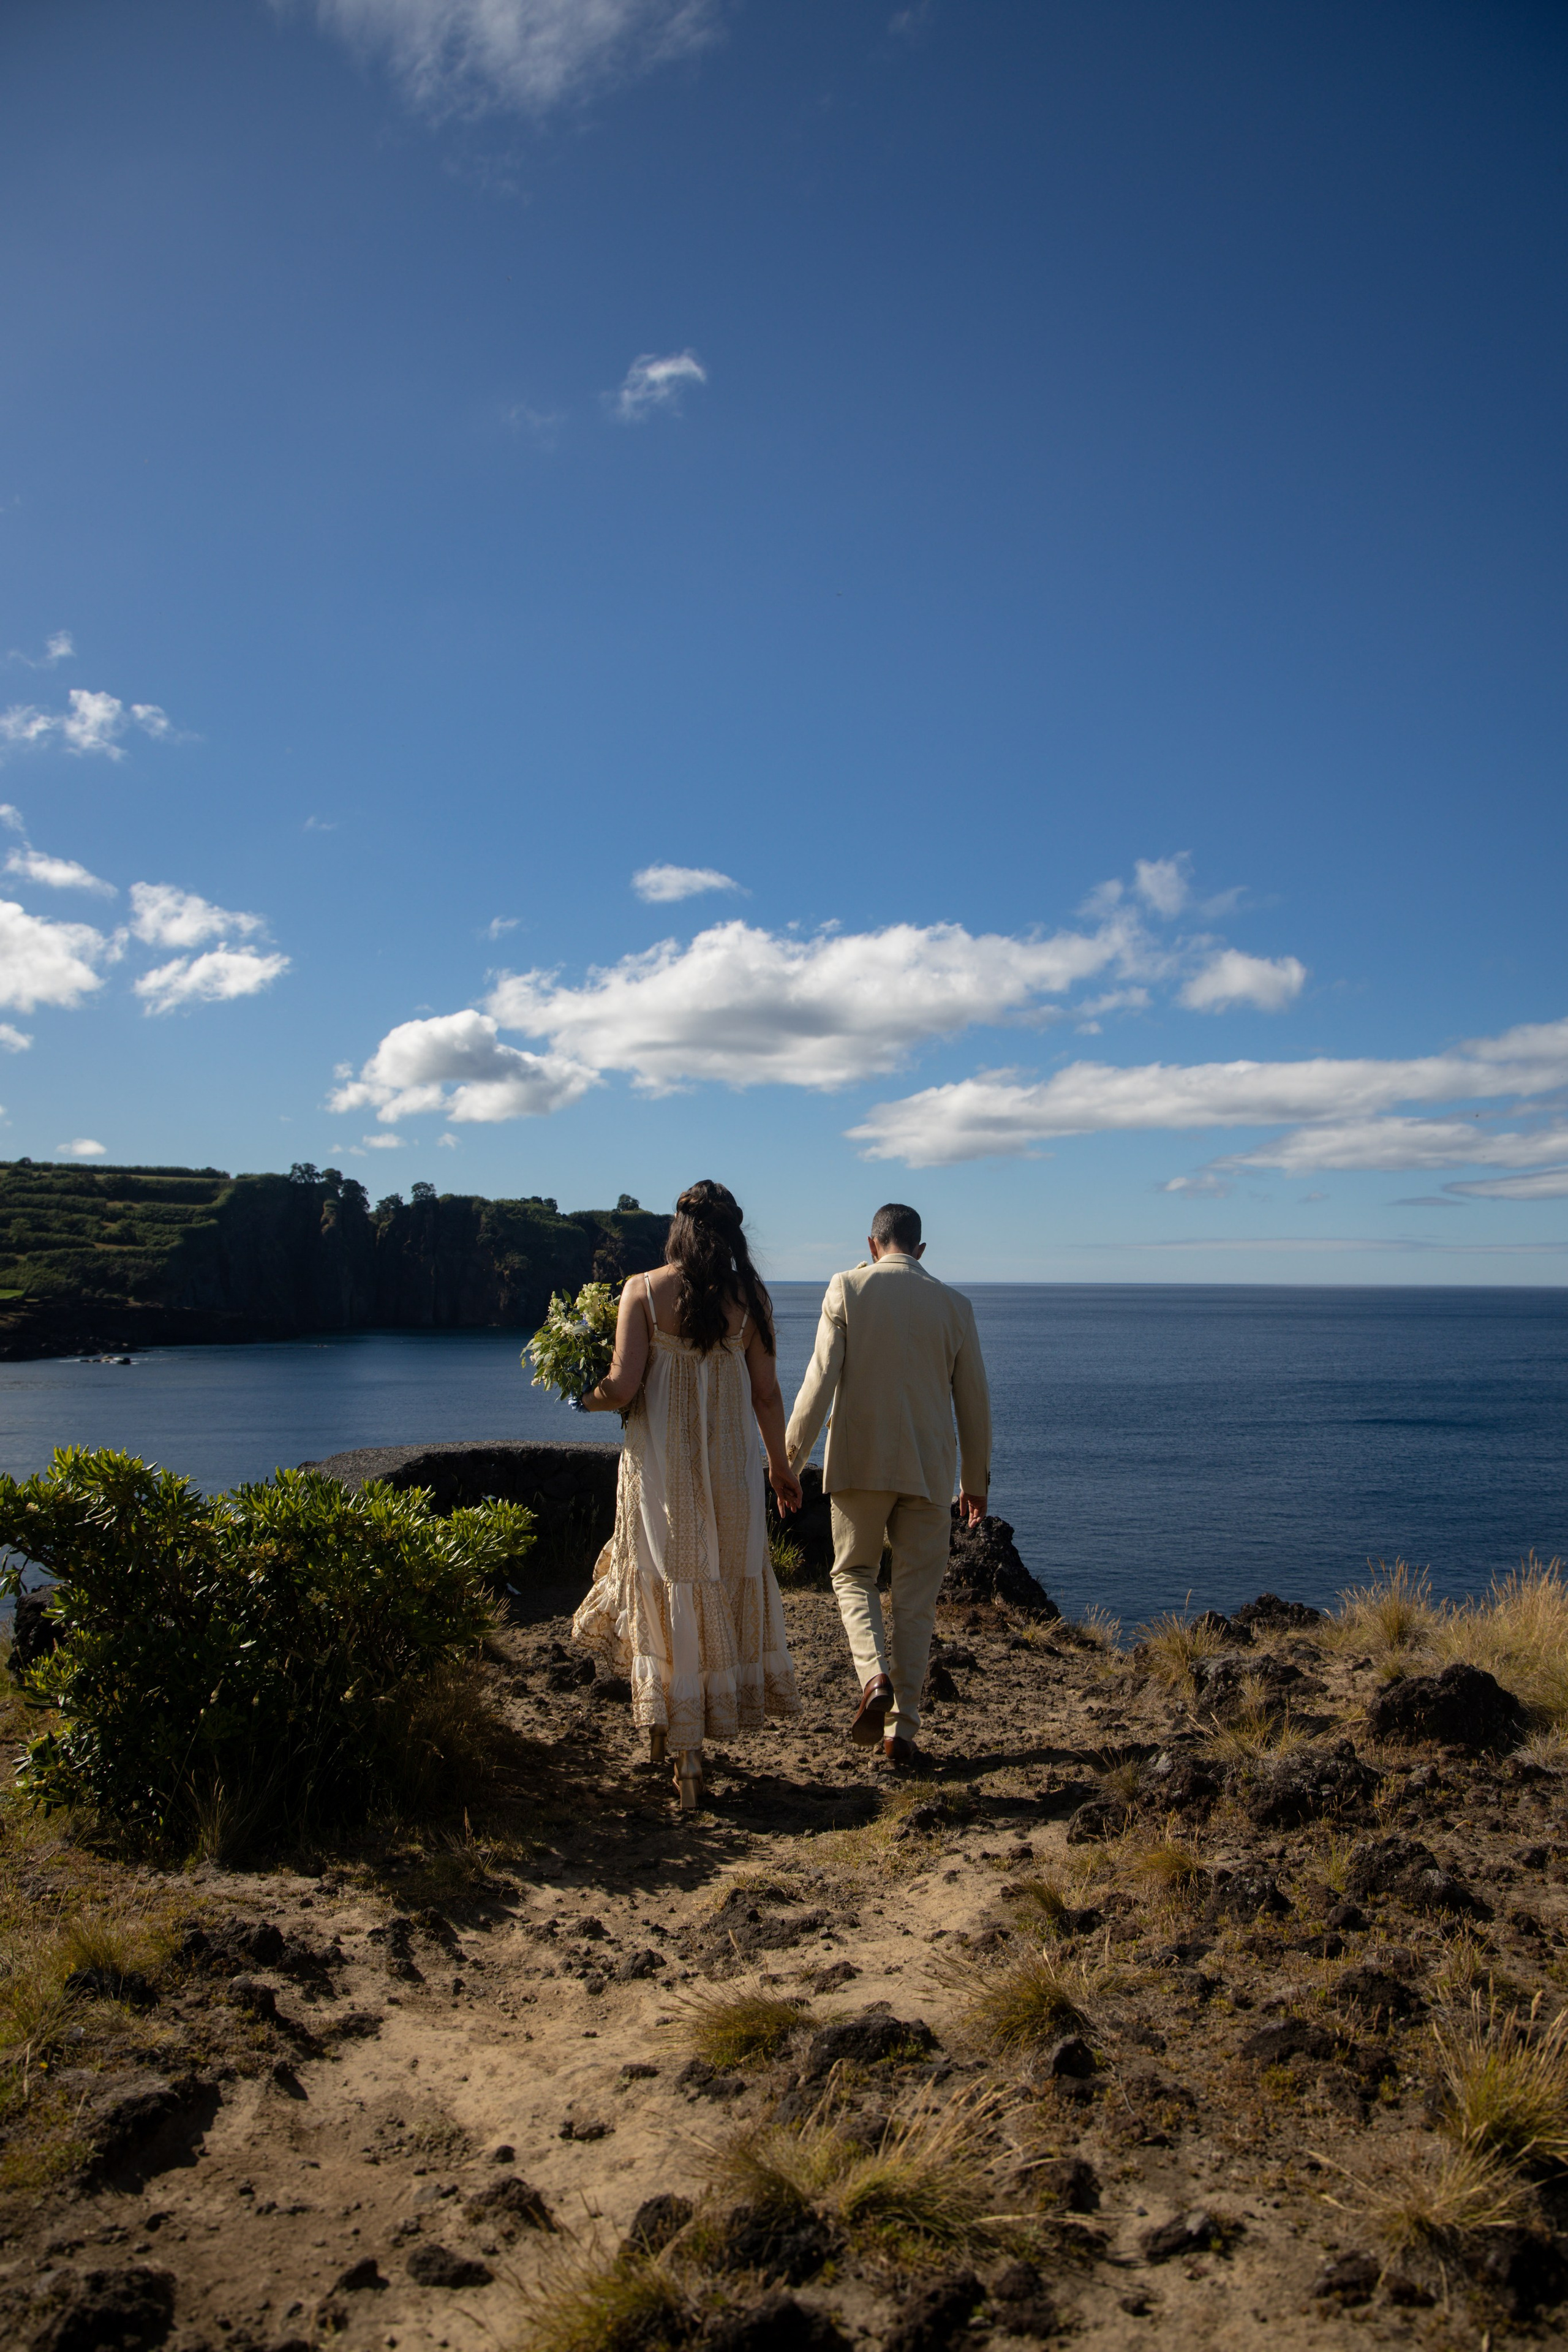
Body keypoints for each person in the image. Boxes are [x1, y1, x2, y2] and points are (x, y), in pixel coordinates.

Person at [573, 1180, 802, 1810]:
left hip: (665, 1468)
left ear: (678, 1229)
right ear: (732, 1233)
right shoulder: (749, 1298)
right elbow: (766, 1395)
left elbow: (620, 1388)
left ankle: (681, 1748)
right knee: (717, 1580)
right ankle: (690, 1744)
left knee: (670, 1580)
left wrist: (580, 1394)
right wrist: (780, 1468)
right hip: (730, 1472)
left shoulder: (644, 1291)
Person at [785, 1204, 990, 1768]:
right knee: (916, 1604)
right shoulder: (956, 1306)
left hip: (859, 1466)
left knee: (853, 1575)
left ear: (873, 1245)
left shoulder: (847, 1288)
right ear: (920, 1251)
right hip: (929, 1473)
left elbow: (818, 1383)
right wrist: (975, 1484)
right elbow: (974, 1405)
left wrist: (788, 1461)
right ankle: (903, 1734)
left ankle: (873, 1676)